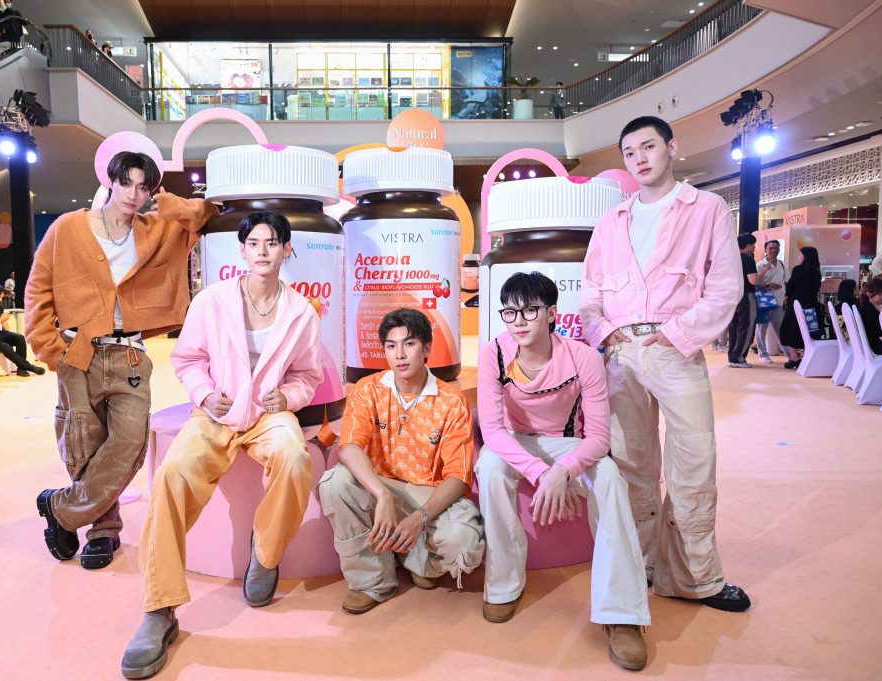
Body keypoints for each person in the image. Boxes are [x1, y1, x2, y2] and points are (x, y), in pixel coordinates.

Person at [121, 211, 323, 680]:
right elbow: (188, 359)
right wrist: (205, 394)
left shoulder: (302, 312)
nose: (263, 250)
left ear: (287, 249)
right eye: (254, 242)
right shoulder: (210, 301)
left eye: (272, 242)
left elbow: (308, 375)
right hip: (216, 414)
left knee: (295, 458)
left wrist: (289, 397)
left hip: (268, 415)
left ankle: (265, 552)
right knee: (171, 475)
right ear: (243, 250)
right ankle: (159, 608)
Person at [579, 115, 751, 612]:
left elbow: (726, 289)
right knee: (630, 463)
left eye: (648, 146)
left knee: (694, 463)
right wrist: (603, 332)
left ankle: (695, 577)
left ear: (671, 147)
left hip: (677, 349)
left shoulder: (708, 209)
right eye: (629, 152)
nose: (639, 158)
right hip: (620, 354)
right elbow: (590, 293)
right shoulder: (611, 221)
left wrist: (676, 334)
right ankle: (639, 567)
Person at [26, 151, 217, 574]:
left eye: (144, 187)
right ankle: (103, 530)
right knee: (83, 443)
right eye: (127, 183)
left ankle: (61, 509)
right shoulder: (68, 228)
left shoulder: (157, 228)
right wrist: (49, 348)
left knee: (129, 441)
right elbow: (38, 288)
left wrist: (169, 203)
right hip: (78, 351)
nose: (134, 194)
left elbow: (207, 215)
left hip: (130, 352)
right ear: (110, 181)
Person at [477, 272, 650, 670]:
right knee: (489, 467)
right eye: (510, 312)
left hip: (569, 442)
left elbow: (599, 438)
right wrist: (541, 472)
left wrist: (564, 471)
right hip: (515, 442)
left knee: (610, 479)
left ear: (552, 313)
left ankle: (622, 614)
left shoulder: (583, 357)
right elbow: (493, 431)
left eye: (529, 310)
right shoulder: (494, 353)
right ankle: (503, 585)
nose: (519, 321)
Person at [317, 308, 484, 616]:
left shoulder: (452, 401)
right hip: (381, 489)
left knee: (464, 541)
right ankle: (371, 581)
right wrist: (381, 495)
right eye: (391, 346)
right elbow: (349, 447)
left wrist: (419, 518)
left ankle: (420, 562)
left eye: (409, 344)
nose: (400, 354)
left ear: (427, 349)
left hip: (427, 495)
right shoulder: (367, 389)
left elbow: (458, 477)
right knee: (334, 482)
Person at [0, 281, 44, 377]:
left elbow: (4, 324)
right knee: (6, 347)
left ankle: (21, 369)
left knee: (19, 338)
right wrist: (0, 320)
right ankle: (29, 367)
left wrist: (11, 335)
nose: (1, 300)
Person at [779, 246, 822, 369]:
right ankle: (805, 357)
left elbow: (791, 285)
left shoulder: (798, 269)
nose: (798, 257)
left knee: (788, 330)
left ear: (805, 257)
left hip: (796, 304)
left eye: (800, 254)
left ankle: (794, 358)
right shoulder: (817, 272)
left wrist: (786, 296)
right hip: (811, 305)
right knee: (807, 331)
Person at [727, 233, 761, 368]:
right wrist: (764, 271)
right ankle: (739, 358)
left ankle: (732, 357)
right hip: (746, 295)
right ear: (747, 245)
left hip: (732, 295)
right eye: (753, 245)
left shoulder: (730, 258)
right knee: (747, 327)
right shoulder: (748, 259)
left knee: (734, 327)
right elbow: (753, 280)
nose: (754, 248)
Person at [755, 239, 789, 364]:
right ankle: (763, 354)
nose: (773, 250)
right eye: (770, 248)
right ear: (765, 250)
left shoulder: (783, 264)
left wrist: (786, 298)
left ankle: (789, 354)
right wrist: (769, 285)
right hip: (764, 303)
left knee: (780, 329)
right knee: (761, 329)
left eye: (776, 248)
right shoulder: (760, 265)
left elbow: (786, 281)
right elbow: (755, 283)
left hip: (779, 301)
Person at [858, 278, 882, 355]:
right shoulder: (864, 309)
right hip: (875, 344)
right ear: (869, 294)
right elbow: (870, 332)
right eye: (879, 293)